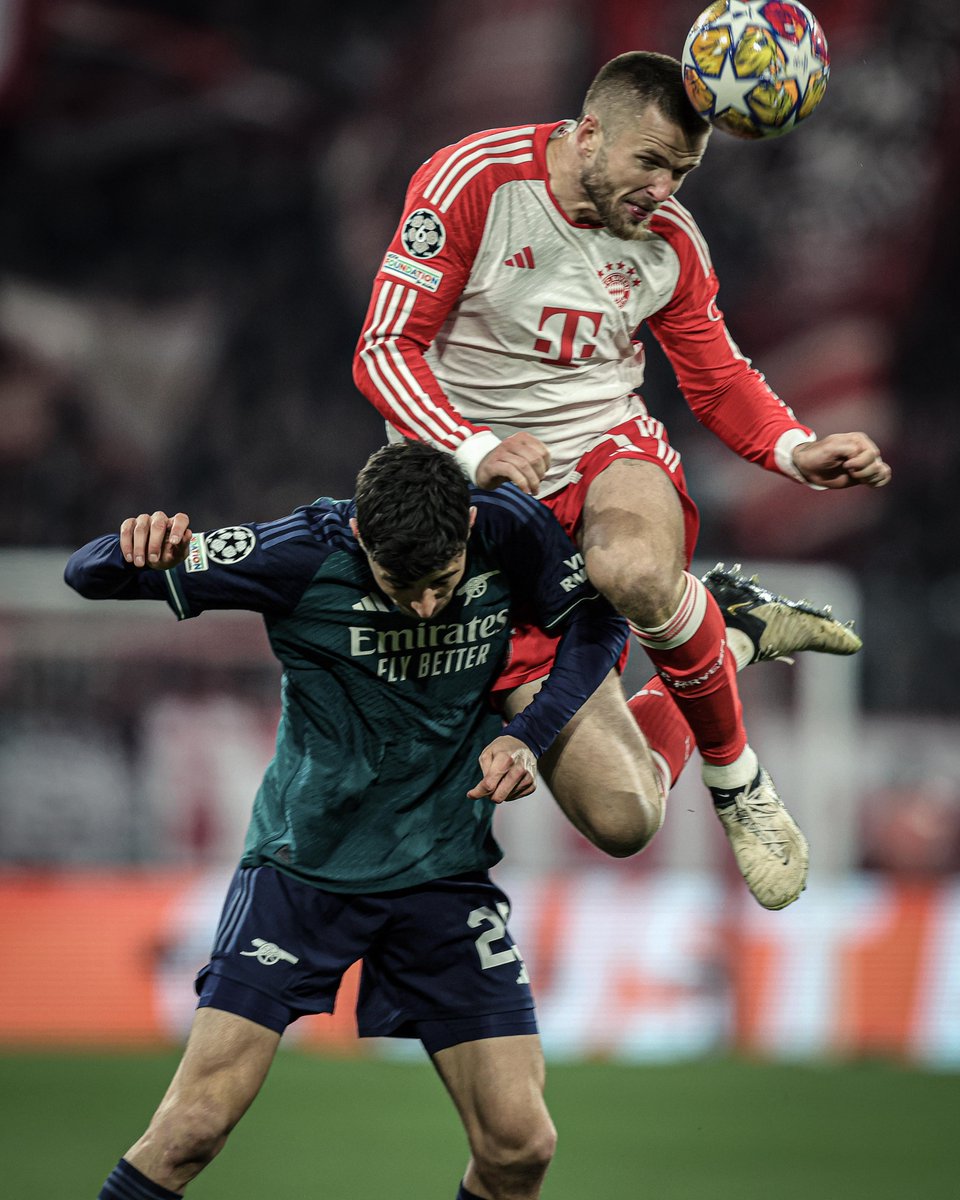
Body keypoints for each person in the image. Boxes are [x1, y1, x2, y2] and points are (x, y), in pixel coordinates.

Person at [352, 49, 890, 911]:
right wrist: (473, 447)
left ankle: (737, 777)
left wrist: (795, 451)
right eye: (650, 161)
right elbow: (386, 349)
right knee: (626, 817)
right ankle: (732, 629)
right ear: (589, 132)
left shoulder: (670, 242)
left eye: (683, 170)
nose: (664, 187)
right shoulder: (476, 184)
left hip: (604, 455)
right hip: (478, 509)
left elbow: (715, 377)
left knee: (635, 573)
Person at [68, 440, 644, 1200]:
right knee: (191, 1130)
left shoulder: (508, 525)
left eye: (442, 583)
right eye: (403, 587)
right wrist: (131, 545)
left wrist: (526, 736)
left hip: (444, 874)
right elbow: (87, 573)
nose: (428, 607)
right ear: (364, 537)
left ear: (468, 528)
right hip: (304, 874)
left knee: (521, 1145)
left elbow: (598, 626)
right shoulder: (297, 554)